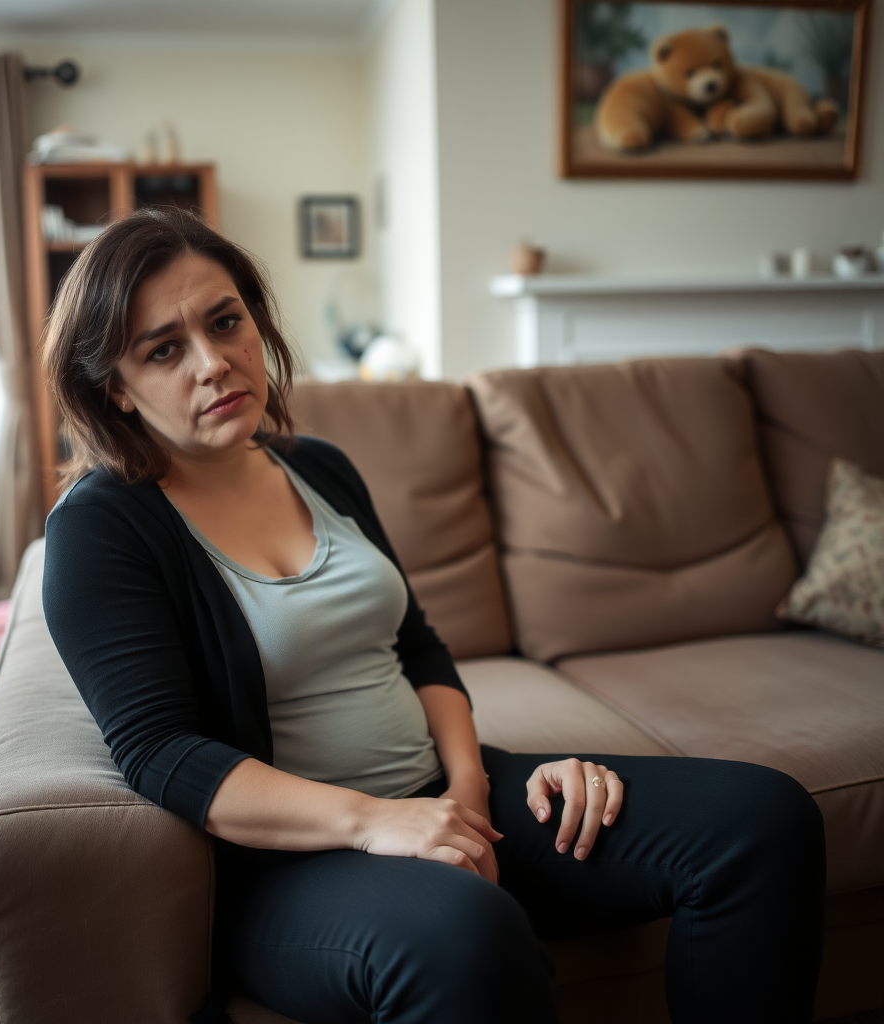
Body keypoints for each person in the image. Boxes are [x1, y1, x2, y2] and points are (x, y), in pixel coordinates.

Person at [41, 207, 825, 1024]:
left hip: (442, 797)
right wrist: (382, 824)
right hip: (292, 865)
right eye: (163, 350)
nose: (213, 362)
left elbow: (417, 646)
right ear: (115, 390)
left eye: (225, 320)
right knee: (466, 932)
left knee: (761, 822)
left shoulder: (319, 468)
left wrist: (471, 795)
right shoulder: (102, 527)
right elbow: (161, 753)